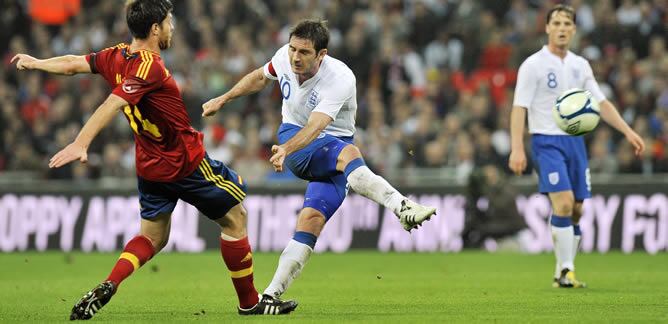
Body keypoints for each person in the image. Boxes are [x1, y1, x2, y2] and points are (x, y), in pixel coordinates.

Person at [11, 0, 296, 318]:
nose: (173, 27)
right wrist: (81, 142)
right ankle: (249, 303)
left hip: (150, 167)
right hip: (185, 162)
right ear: (155, 28)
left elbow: (73, 63)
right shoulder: (151, 67)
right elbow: (112, 103)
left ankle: (109, 283)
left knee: (152, 237)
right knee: (236, 217)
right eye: (169, 21)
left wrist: (37, 63)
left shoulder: (115, 56)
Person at [202, 19, 437, 301]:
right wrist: (223, 98)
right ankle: (402, 207)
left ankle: (271, 295)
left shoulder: (339, 77)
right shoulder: (284, 57)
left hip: (327, 146)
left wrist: (286, 149)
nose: (295, 57)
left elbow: (317, 127)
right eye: (292, 49)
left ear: (321, 55)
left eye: (304, 52)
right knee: (350, 155)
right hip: (298, 137)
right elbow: (261, 77)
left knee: (311, 220)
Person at [508, 4, 645, 288]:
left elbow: (601, 103)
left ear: (573, 29)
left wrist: (627, 131)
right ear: (546, 28)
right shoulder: (533, 65)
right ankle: (566, 270)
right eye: (556, 23)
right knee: (564, 203)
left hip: (575, 143)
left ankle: (563, 271)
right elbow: (519, 107)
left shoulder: (580, 65)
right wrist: (517, 148)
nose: (561, 28)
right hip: (546, 141)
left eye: (566, 24)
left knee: (577, 210)